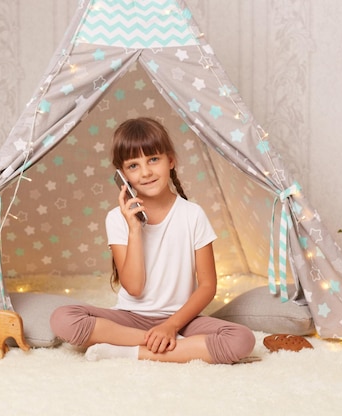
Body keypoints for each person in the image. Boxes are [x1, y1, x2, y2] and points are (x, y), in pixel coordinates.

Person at [50, 117, 255, 364]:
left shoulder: (193, 214)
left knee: (241, 339)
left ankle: (128, 350)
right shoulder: (116, 219)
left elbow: (208, 286)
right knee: (63, 318)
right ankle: (177, 348)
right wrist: (134, 229)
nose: (146, 172)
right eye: (133, 166)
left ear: (171, 160)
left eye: (153, 160)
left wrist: (171, 325)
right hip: (130, 318)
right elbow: (134, 288)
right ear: (122, 175)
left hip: (181, 319)